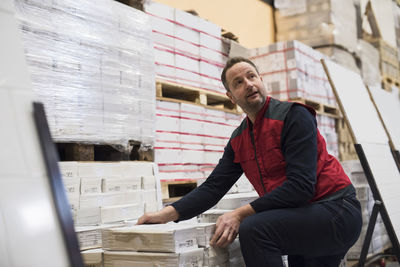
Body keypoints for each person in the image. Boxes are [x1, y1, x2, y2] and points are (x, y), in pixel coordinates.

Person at [137, 57, 362, 267]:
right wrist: (167, 213)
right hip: (305, 213)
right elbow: (213, 187)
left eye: (251, 76)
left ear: (261, 81)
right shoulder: (239, 139)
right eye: (238, 82)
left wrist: (239, 214)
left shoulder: (293, 116)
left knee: (256, 229)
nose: (248, 84)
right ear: (231, 97)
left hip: (336, 209)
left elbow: (300, 187)